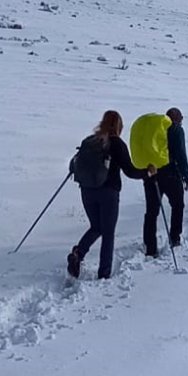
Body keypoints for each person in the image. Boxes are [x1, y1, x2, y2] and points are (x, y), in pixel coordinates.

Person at [67, 111, 153, 281]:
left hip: (87, 190)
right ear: (119, 126)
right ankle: (104, 274)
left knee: (96, 226)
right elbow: (130, 171)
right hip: (109, 193)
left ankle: (78, 253)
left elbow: (75, 165)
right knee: (108, 232)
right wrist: (148, 173)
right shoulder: (117, 144)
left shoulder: (91, 141)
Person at [143, 107, 188, 256]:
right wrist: (187, 176)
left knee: (151, 211)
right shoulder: (176, 130)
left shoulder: (155, 130)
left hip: (151, 173)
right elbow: (180, 154)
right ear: (177, 119)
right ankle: (174, 238)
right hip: (171, 174)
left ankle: (150, 247)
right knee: (178, 206)